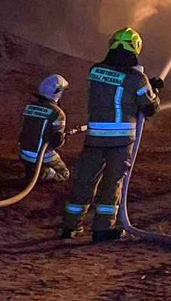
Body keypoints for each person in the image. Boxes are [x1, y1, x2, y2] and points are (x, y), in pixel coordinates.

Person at [60, 27, 162, 241]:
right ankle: (102, 229)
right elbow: (149, 108)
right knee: (112, 183)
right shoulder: (137, 78)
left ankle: (70, 226)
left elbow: (115, 88)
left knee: (84, 181)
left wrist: (144, 84)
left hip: (95, 138)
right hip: (120, 141)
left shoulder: (96, 71)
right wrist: (154, 90)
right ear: (136, 48)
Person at [18, 74, 71, 182]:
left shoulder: (29, 107)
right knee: (64, 174)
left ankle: (32, 170)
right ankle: (42, 173)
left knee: (32, 163)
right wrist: (62, 138)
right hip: (41, 155)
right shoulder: (57, 113)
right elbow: (56, 142)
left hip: (23, 153)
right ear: (57, 92)